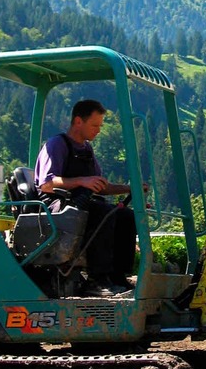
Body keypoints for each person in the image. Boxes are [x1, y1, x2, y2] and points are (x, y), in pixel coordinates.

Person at [34, 99, 137, 296]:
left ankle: (117, 277)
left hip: (81, 202)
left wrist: (130, 188)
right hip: (54, 205)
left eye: (100, 126)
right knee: (102, 212)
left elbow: (99, 187)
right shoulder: (57, 145)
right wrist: (82, 181)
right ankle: (96, 280)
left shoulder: (86, 149)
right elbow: (46, 184)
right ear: (78, 121)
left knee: (124, 215)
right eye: (95, 125)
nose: (98, 130)